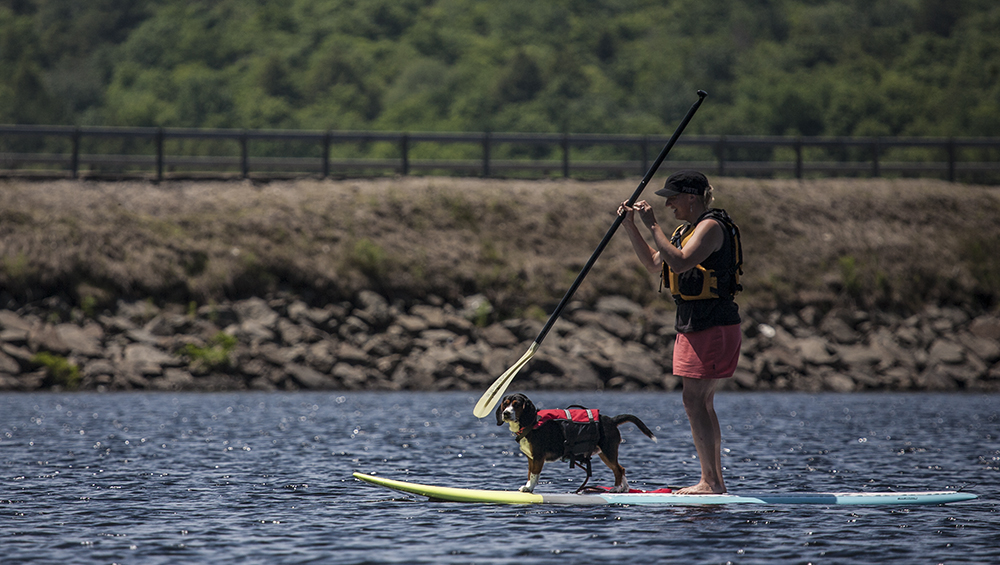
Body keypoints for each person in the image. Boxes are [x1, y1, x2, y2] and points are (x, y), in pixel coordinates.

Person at [618, 170, 743, 494]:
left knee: (695, 399)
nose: (669, 204)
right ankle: (714, 482)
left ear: (692, 197)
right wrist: (631, 226)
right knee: (700, 401)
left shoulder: (711, 228)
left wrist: (652, 224)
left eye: (673, 197)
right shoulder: (685, 230)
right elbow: (655, 263)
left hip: (711, 324)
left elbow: (682, 262)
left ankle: (711, 482)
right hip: (694, 323)